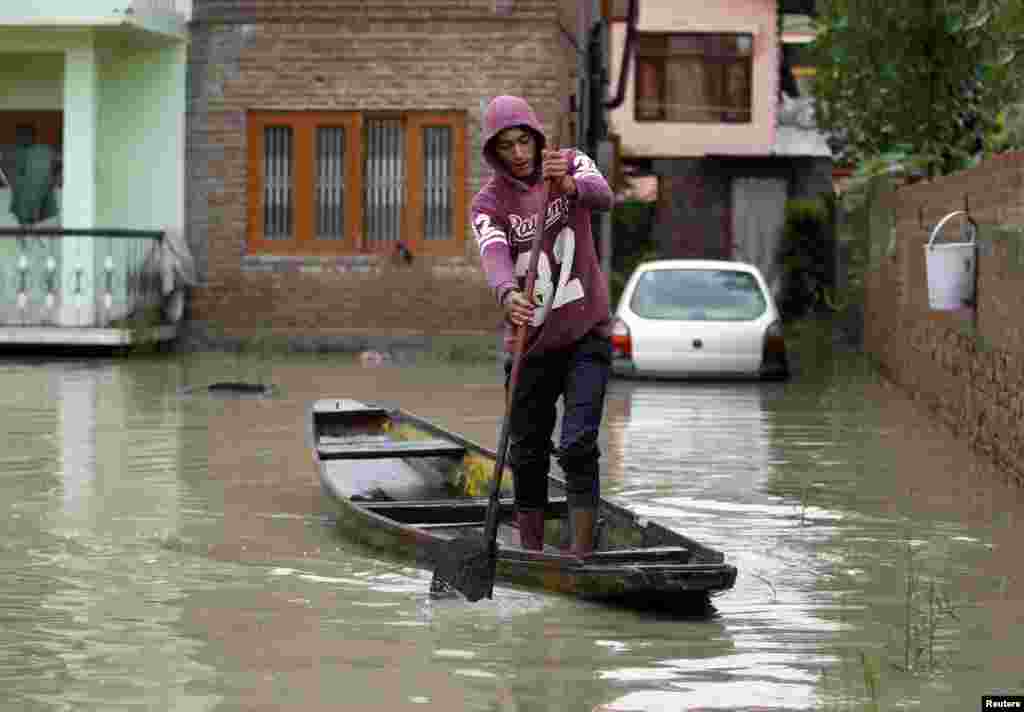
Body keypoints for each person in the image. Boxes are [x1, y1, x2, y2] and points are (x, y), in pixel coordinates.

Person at [471, 95, 614, 557]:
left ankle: (581, 554)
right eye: (507, 145)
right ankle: (532, 554)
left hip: (584, 335)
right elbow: (492, 251)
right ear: (495, 152)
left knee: (576, 445)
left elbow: (604, 196)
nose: (518, 153)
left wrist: (569, 185)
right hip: (529, 344)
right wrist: (506, 293)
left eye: (524, 140)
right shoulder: (489, 202)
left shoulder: (571, 162)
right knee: (528, 452)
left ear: (536, 137)